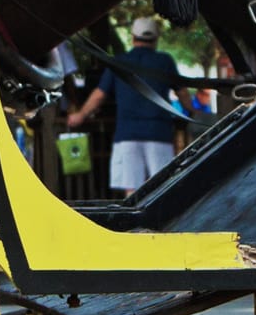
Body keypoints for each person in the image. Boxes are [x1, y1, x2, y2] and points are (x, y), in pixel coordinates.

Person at [71, 13, 201, 194]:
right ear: (155, 39)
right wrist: (192, 112)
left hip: (127, 134)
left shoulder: (119, 62)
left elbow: (99, 96)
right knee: (162, 188)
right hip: (159, 133)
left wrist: (80, 115)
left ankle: (134, 222)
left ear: (132, 38)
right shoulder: (165, 61)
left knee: (131, 189)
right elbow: (182, 93)